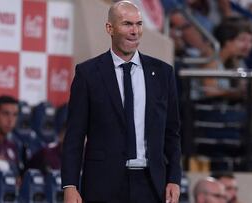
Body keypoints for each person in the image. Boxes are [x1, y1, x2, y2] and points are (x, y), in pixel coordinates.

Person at [62, 1, 182, 203]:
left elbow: (172, 133)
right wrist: (70, 185)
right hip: (103, 185)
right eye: (127, 24)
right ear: (110, 28)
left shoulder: (163, 73)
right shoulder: (88, 74)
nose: (134, 31)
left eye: (139, 24)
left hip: (152, 185)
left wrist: (174, 178)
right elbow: (74, 136)